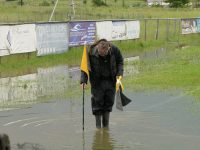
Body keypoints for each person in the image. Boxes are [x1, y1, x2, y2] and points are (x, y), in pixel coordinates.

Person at [80, 39, 124, 128]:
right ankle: (98, 128)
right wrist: (83, 81)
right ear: (97, 48)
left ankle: (106, 127)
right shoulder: (90, 51)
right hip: (97, 82)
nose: (103, 55)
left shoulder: (114, 50)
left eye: (105, 53)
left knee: (108, 104)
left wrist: (119, 74)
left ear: (108, 49)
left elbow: (120, 61)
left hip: (110, 81)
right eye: (101, 53)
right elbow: (85, 66)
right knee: (97, 105)